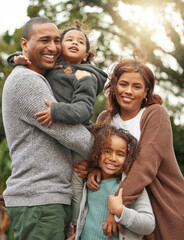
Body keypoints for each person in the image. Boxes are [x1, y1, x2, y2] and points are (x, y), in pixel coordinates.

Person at [7, 20, 107, 228]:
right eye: (46, 40)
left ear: (87, 54)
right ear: (25, 44)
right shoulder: (28, 80)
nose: (52, 47)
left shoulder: (79, 75)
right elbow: (72, 136)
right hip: (40, 197)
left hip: (47, 196)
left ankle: (77, 224)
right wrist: (104, 159)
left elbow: (82, 110)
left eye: (55, 41)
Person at [87, 56, 184, 240]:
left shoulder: (154, 114)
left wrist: (117, 209)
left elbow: (145, 164)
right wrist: (92, 169)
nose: (128, 91)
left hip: (161, 205)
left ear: (146, 91)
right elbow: (96, 157)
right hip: (123, 213)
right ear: (114, 86)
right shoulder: (104, 119)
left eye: (137, 86)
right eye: (123, 84)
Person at [74, 124, 155, 240]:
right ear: (97, 153)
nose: (113, 158)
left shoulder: (130, 186)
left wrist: (120, 212)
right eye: (107, 151)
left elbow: (149, 225)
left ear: (128, 158)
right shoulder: (89, 181)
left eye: (120, 154)